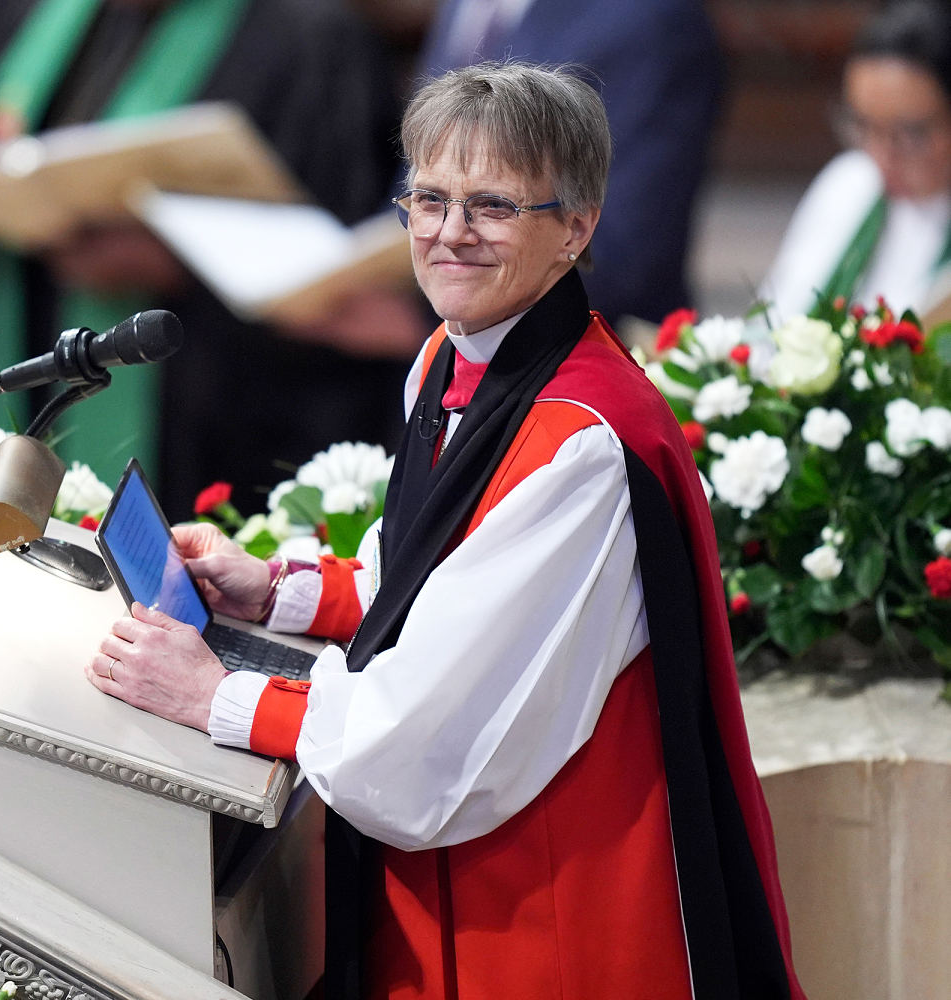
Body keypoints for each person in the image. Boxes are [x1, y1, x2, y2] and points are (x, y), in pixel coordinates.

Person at [87, 63, 805, 999]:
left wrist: (213, 695)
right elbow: (432, 573)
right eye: (428, 198)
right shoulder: (454, 356)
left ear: (576, 227)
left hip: (546, 908)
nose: (448, 234)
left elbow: (417, 742)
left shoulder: (579, 442)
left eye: (493, 206)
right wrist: (281, 591)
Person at [0, 0, 408, 517]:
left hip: (203, 415)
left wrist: (181, 263)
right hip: (35, 323)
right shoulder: (38, 12)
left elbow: (339, 265)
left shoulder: (310, 36)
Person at [417, 0, 724, 327]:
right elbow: (422, 165)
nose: (452, 234)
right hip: (432, 340)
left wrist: (421, 314)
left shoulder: (649, 18)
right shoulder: (466, 7)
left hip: (583, 343)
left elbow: (626, 252)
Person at [764, 0, 951, 320]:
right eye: (863, 126)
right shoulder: (849, 182)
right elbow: (771, 324)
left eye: (909, 134)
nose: (881, 155)